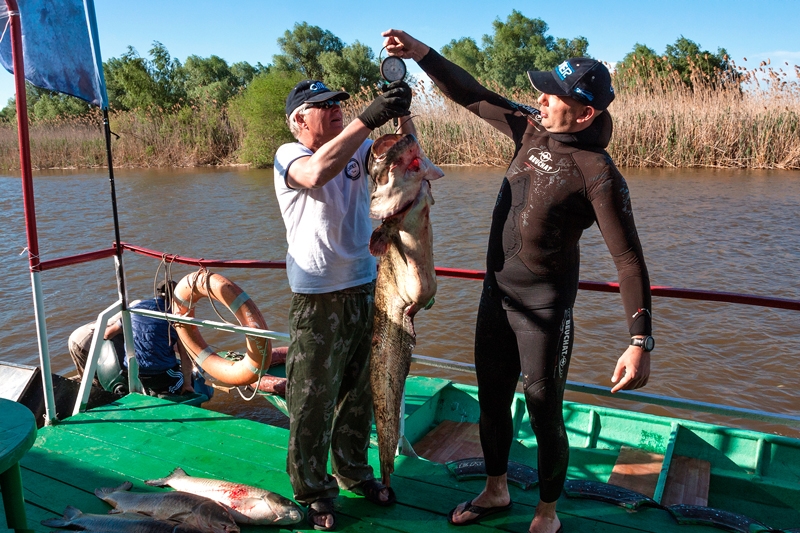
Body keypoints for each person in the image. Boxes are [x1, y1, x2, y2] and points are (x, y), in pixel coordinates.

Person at [382, 30, 654, 533]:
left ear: (586, 113)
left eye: (554, 93)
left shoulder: (599, 172)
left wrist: (639, 341)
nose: (542, 98)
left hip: (545, 311)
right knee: (491, 401)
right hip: (497, 297)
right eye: (544, 90)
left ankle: (547, 514)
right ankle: (496, 488)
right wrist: (421, 54)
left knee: (544, 411)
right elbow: (472, 94)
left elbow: (629, 260)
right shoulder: (531, 129)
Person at [273, 78, 414, 531]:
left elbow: (412, 160)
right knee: (312, 397)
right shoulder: (288, 155)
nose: (335, 109)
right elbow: (316, 174)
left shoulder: (361, 145)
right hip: (316, 296)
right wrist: (366, 118)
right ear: (299, 119)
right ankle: (313, 489)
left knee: (359, 393)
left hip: (366, 285)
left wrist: (401, 112)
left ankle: (354, 472)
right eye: (323, 106)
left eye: (338, 103)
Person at [102, 280, 195, 397]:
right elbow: (185, 355)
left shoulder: (135, 309)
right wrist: (187, 384)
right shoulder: (176, 317)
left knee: (120, 335)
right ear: (177, 297)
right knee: (188, 377)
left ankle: (146, 390)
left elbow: (107, 334)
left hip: (133, 372)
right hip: (160, 374)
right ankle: (167, 395)